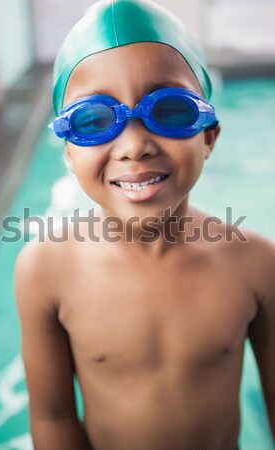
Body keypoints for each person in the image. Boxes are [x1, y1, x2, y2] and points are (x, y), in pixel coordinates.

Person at [14, 0, 275, 449]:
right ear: (69, 152)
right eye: (93, 120)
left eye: (170, 111)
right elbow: (53, 416)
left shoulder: (255, 264)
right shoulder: (44, 270)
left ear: (208, 135)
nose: (134, 145)